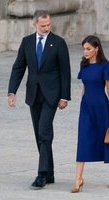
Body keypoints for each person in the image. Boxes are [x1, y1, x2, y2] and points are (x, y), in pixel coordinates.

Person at [7, 9, 71, 189]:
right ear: (34, 24)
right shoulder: (26, 42)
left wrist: (65, 97)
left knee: (44, 132)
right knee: (39, 134)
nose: (46, 28)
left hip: (52, 95)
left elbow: (65, 72)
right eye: (43, 25)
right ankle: (49, 173)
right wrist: (12, 92)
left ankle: (41, 174)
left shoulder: (58, 43)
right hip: (33, 95)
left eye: (49, 24)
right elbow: (18, 67)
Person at [71, 35, 109, 193]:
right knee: (83, 140)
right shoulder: (84, 65)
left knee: (107, 141)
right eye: (84, 49)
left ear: (96, 49)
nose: (85, 52)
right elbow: (84, 87)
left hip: (102, 107)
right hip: (86, 108)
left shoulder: (105, 66)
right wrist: (82, 103)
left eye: (88, 49)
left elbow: (108, 89)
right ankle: (78, 179)